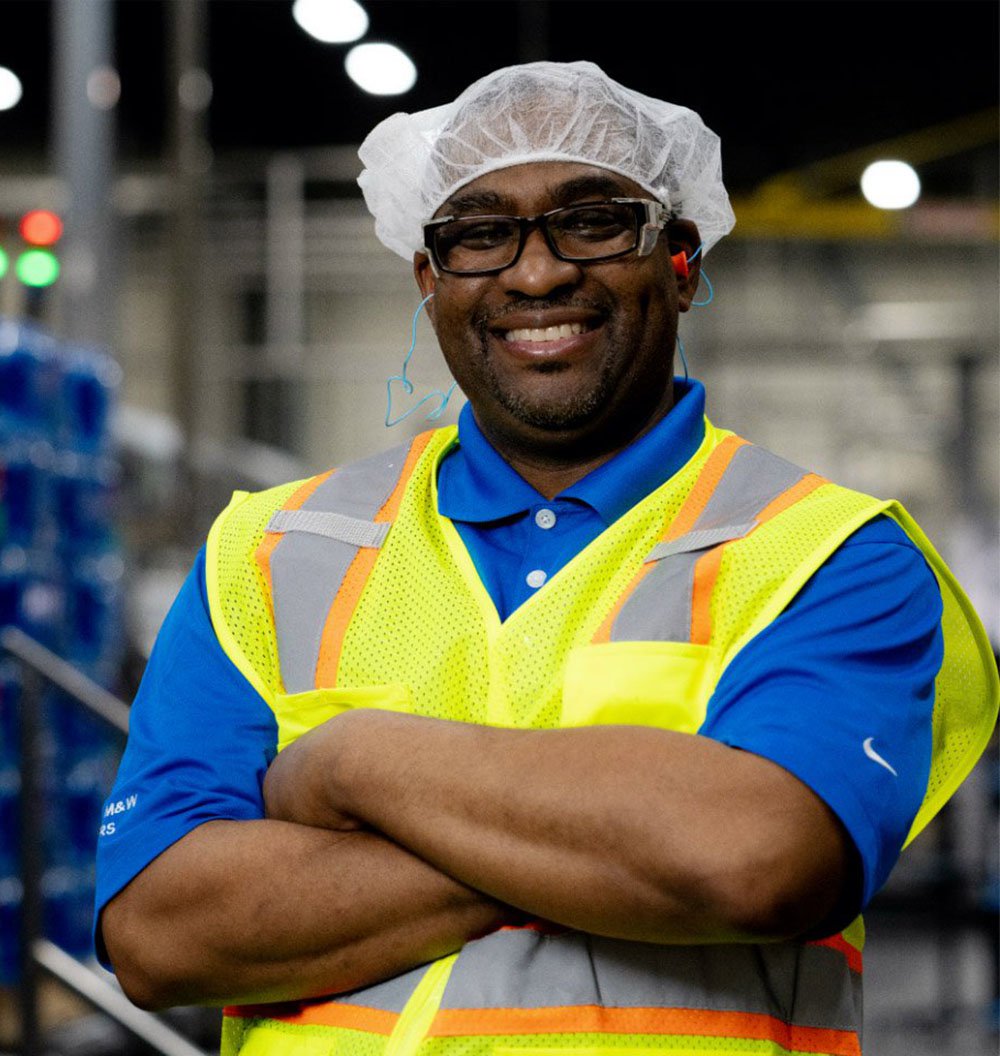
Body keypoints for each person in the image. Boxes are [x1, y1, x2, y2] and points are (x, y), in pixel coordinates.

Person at [96, 62, 997, 1056]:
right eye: (481, 233)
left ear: (682, 261)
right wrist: (619, 850)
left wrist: (354, 764)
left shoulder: (825, 554)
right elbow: (159, 935)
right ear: (429, 278)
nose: (536, 273)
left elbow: (754, 860)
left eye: (595, 219)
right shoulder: (269, 555)